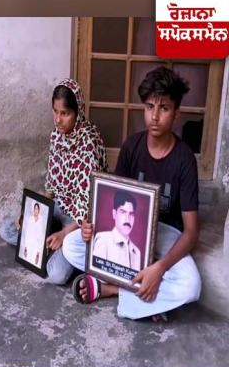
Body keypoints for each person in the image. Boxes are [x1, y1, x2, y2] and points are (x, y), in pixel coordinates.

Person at [63, 67, 201, 322]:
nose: (155, 116)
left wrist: (159, 268)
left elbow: (191, 232)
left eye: (164, 108)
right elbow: (112, 200)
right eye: (150, 107)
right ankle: (148, 296)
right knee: (71, 245)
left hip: (165, 235)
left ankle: (111, 289)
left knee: (192, 286)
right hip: (129, 234)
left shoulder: (184, 159)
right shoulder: (132, 146)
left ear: (177, 114)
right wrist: (89, 227)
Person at [0, 79, 107, 283]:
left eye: (65, 113)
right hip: (59, 207)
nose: (58, 120)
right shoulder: (57, 136)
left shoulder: (89, 143)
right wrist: (31, 211)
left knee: (56, 274)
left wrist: (64, 234)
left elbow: (89, 209)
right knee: (8, 230)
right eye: (55, 112)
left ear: (78, 113)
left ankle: (56, 246)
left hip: (80, 221)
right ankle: (48, 242)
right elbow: (51, 191)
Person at [91, 191, 141, 271]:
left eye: (131, 214)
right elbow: (96, 275)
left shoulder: (136, 252)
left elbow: (135, 282)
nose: (127, 219)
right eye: (123, 212)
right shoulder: (103, 240)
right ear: (114, 214)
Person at [20, 202, 45, 267]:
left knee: (35, 262)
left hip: (37, 244)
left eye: (37, 209)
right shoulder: (30, 219)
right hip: (29, 242)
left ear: (39, 210)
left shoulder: (41, 220)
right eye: (35, 209)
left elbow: (41, 235)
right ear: (33, 210)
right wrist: (25, 247)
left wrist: (38, 252)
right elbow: (27, 232)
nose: (36, 210)